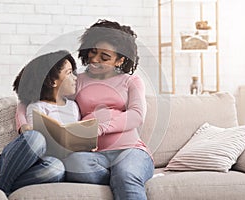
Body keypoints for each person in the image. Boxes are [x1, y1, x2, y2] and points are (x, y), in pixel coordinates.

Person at [16, 20, 154, 200]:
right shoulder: (77, 80)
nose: (94, 60)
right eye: (93, 52)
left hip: (129, 149)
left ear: (120, 60)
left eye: (104, 57)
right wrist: (23, 125)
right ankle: (116, 177)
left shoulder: (131, 81)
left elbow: (136, 116)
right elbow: (31, 98)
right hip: (91, 155)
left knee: (126, 175)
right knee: (73, 165)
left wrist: (99, 127)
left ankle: (122, 175)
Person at [0, 50, 78, 196]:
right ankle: (0, 189)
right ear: (53, 81)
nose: (75, 78)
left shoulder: (73, 107)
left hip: (48, 163)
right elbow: (33, 139)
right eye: (69, 73)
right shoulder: (36, 106)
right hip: (21, 160)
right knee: (35, 137)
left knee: (57, 169)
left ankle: (2, 184)